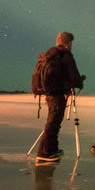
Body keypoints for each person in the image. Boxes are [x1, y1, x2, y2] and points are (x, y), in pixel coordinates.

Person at [36, 31, 84, 164]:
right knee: (53, 122)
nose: (72, 45)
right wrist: (79, 82)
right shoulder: (66, 56)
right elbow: (74, 78)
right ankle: (45, 153)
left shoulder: (49, 54)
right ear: (68, 43)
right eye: (71, 43)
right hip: (57, 94)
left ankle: (50, 150)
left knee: (53, 121)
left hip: (48, 93)